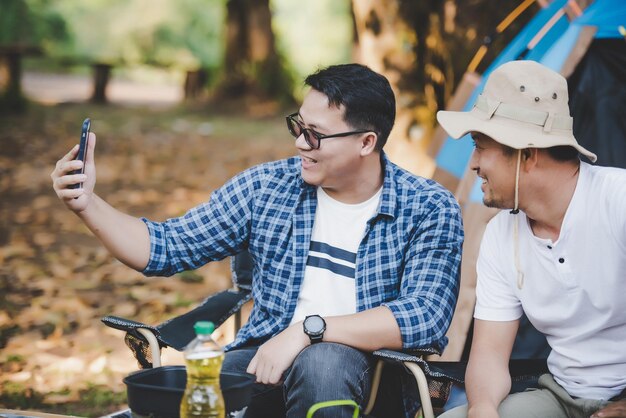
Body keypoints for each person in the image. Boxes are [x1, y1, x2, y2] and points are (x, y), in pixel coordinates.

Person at [51, 63, 464, 418]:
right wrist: (87, 204)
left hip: (377, 378)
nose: (300, 143)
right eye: (298, 126)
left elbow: (424, 315)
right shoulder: (269, 187)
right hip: (263, 359)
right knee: (202, 388)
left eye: (315, 135)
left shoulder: (428, 207)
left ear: (366, 142)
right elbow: (165, 247)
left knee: (323, 362)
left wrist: (308, 331)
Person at [436, 60, 626, 418]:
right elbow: (489, 356)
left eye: (480, 146)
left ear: (527, 154)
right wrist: (482, 407)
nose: (473, 164)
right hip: (562, 396)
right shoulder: (499, 234)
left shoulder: (617, 201)